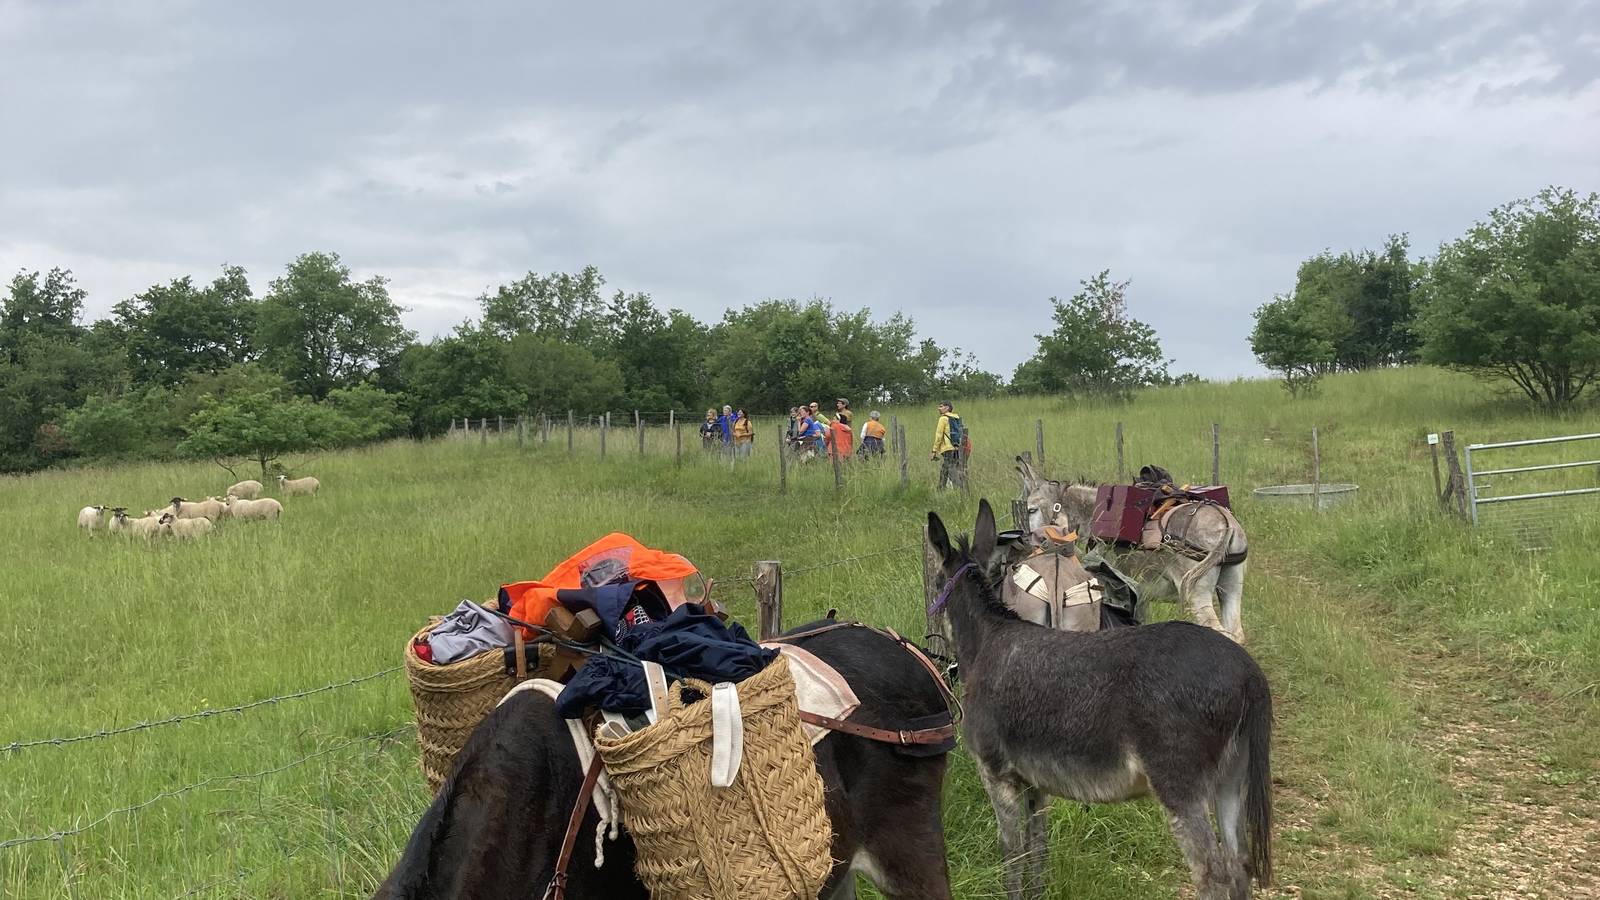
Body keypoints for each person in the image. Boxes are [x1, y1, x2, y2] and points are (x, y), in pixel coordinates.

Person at [930, 400, 965, 491]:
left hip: (947, 448)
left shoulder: (943, 419)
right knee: (945, 470)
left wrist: (934, 451)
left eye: (941, 406)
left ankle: (961, 488)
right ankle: (940, 490)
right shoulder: (956, 418)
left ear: (947, 408)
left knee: (949, 469)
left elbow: (939, 436)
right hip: (957, 447)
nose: (939, 408)